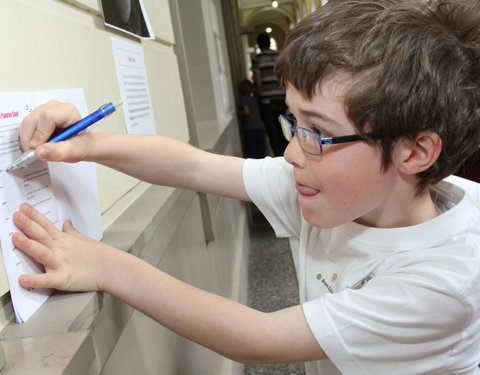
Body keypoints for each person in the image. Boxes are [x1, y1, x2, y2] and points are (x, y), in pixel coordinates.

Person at [11, 0, 480, 374]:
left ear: (414, 153)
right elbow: (195, 168)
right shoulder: (334, 187)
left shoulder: (446, 281)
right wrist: (89, 143)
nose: (293, 152)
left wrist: (107, 265)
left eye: (316, 132)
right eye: (293, 123)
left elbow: (259, 337)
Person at [251, 32, 289, 156]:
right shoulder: (278, 55)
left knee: (271, 130)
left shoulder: (257, 58)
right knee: (283, 127)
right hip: (281, 97)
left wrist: (256, 94)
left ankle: (278, 156)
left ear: (258, 44)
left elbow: (258, 81)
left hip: (266, 100)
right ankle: (287, 153)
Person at [237, 79, 266, 158]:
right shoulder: (254, 99)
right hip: (260, 127)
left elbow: (247, 112)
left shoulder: (243, 99)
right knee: (261, 148)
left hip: (250, 128)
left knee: (253, 149)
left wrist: (238, 112)